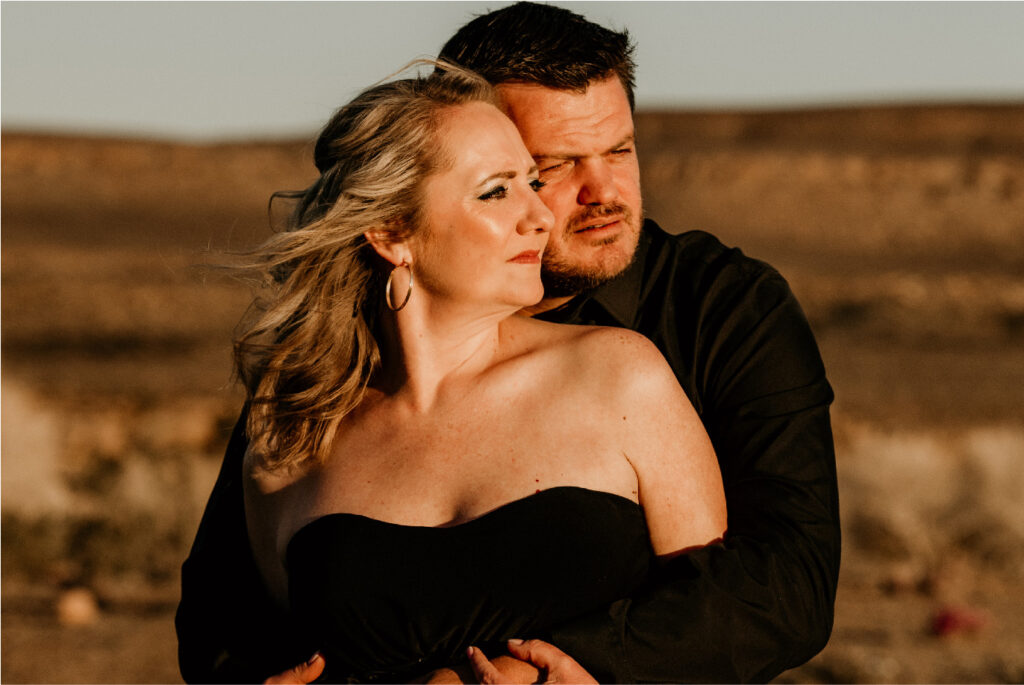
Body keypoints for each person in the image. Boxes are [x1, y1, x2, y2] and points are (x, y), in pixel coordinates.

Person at [177, 3, 840, 682]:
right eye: (552, 166)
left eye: (620, 150)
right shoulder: (312, 390)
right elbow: (223, 621)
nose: (602, 191)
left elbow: (781, 585)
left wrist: (555, 669)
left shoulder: (710, 314)